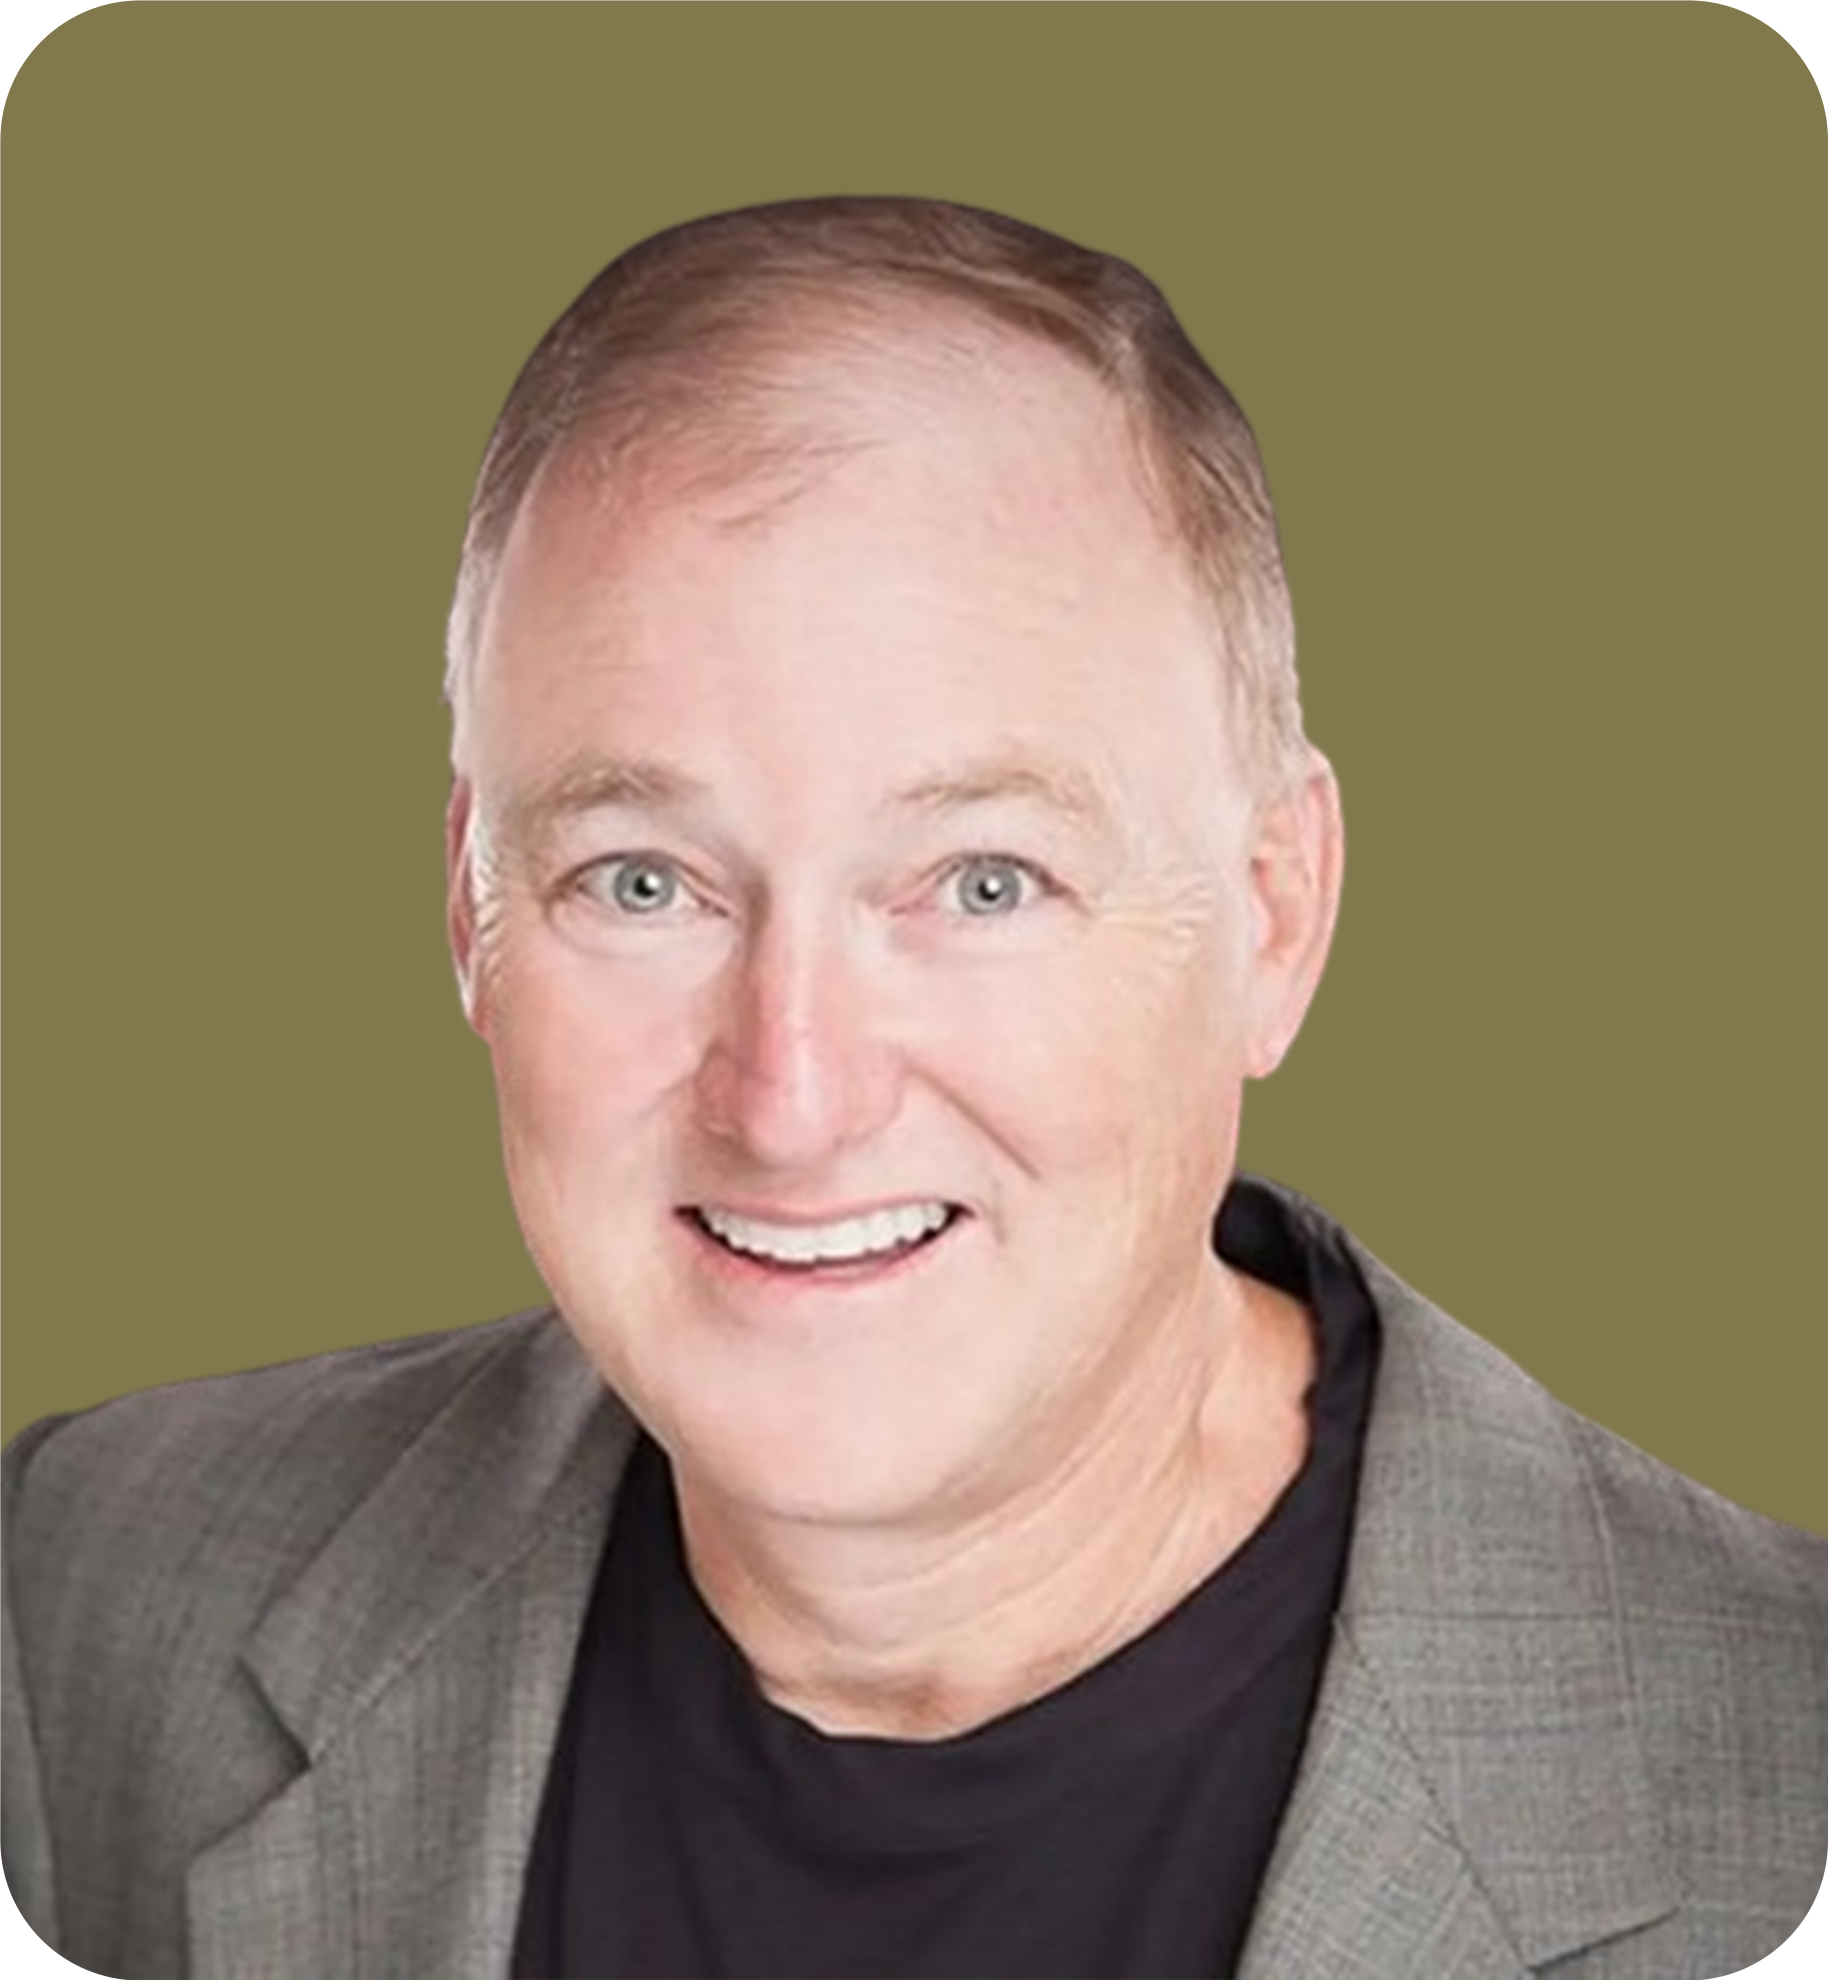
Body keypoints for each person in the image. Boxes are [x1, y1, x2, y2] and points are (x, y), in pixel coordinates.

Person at [2, 197, 1823, 1980]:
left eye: (983, 883)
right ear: (471, 910)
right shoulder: (93, 1594)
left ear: (1274, 917)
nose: (791, 1097)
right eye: (643, 882)